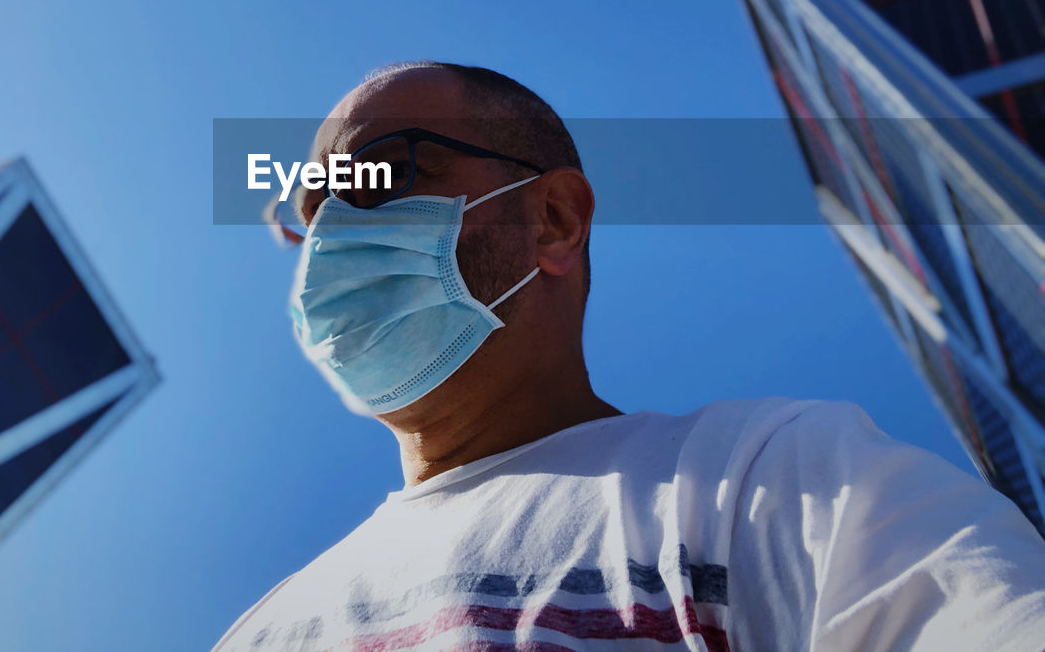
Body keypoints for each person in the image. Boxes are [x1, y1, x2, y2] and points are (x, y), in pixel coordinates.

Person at [215, 61, 1045, 652]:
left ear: (555, 221)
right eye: (315, 208)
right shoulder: (258, 631)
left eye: (382, 175)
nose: (333, 235)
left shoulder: (776, 479)